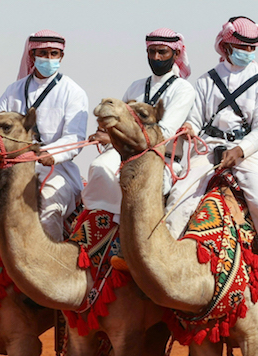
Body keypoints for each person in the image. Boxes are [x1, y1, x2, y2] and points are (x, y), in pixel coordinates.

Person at [171, 16, 258, 316]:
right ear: (225, 45)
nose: (247, 51)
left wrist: (241, 150)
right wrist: (188, 128)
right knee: (177, 197)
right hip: (209, 149)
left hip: (250, 152)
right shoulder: (205, 80)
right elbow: (196, 119)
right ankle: (166, 262)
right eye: (240, 46)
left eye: (251, 47)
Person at [0, 30, 88, 240]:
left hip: (54, 167)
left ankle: (51, 260)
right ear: (32, 56)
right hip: (11, 163)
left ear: (61, 57)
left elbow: (75, 138)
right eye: (44, 53)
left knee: (48, 206)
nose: (49, 58)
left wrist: (51, 154)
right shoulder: (15, 90)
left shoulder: (73, 92)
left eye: (54, 54)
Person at [83, 28, 195, 225]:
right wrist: (108, 132)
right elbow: (119, 122)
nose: (156, 57)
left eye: (162, 52)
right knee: (99, 167)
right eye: (151, 52)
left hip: (160, 158)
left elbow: (164, 133)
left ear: (176, 54)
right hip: (124, 153)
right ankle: (109, 223)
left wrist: (116, 135)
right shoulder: (136, 86)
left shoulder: (183, 89)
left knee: (141, 186)